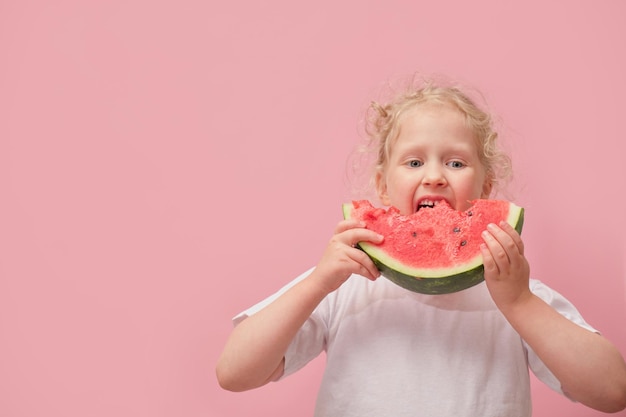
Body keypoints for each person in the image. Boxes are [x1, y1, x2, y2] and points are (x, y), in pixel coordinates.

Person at [216, 75, 626, 416]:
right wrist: (317, 283)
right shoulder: (344, 282)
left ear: (485, 188)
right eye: (414, 162)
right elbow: (234, 372)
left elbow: (612, 391)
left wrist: (519, 303)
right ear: (382, 185)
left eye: (455, 162)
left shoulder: (515, 292)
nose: (434, 176)